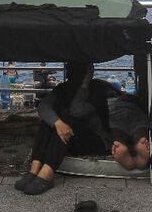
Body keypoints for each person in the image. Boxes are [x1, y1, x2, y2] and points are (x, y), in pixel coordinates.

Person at [14, 62, 111, 195]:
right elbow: (43, 107)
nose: (72, 73)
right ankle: (34, 169)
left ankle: (47, 174)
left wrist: (84, 85)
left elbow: (77, 111)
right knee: (48, 122)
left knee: (68, 119)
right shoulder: (63, 88)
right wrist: (57, 123)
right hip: (71, 139)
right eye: (70, 68)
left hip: (96, 142)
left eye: (77, 69)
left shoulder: (97, 89)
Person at [108, 92, 151, 170]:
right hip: (136, 114)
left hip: (115, 114)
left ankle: (122, 145)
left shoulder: (108, 100)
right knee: (141, 132)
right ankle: (138, 144)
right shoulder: (132, 98)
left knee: (117, 134)